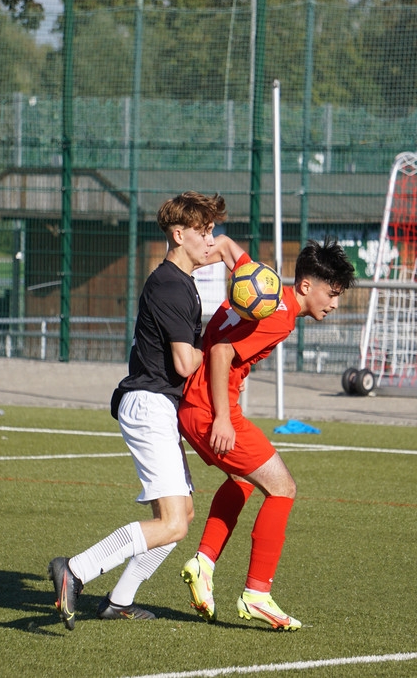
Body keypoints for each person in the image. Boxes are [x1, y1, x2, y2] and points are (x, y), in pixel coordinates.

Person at [48, 192, 244, 630]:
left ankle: (119, 600)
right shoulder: (171, 285)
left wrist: (234, 256)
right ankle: (75, 570)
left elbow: (221, 253)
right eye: (203, 231)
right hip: (149, 404)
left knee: (181, 516)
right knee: (173, 523)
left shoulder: (179, 281)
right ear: (179, 234)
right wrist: (218, 350)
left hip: (157, 404)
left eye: (212, 231)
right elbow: (184, 363)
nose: (210, 239)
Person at [178, 239, 355, 631]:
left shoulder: (258, 281)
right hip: (210, 411)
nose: (335, 303)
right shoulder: (280, 316)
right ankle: (257, 593)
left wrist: (191, 260)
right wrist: (223, 419)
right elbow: (221, 351)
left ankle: (203, 563)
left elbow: (225, 245)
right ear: (306, 286)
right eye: (332, 293)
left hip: (193, 406)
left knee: (243, 479)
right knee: (283, 488)